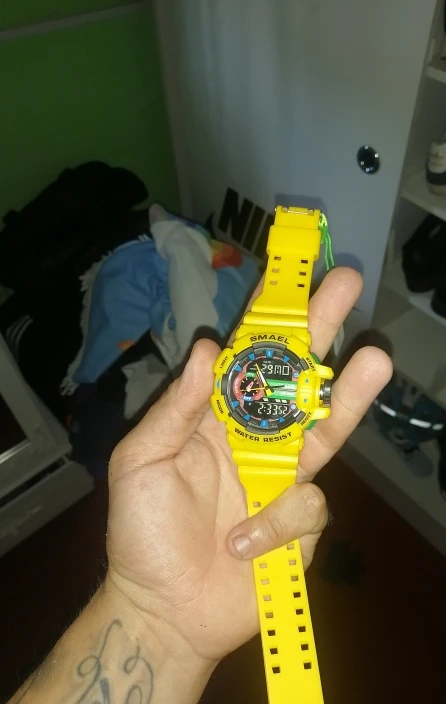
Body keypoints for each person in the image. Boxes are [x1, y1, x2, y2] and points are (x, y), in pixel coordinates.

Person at [10, 268, 391, 704]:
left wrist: (154, 618)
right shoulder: (242, 399)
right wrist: (159, 616)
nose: (265, 389)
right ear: (228, 386)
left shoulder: (255, 389)